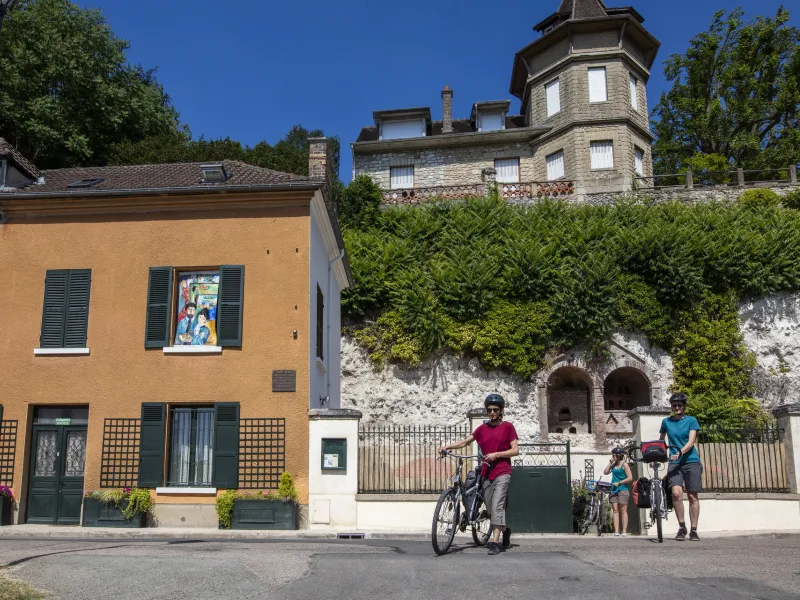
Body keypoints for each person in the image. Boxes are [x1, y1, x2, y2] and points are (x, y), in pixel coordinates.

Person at [440, 393, 519, 556]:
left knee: (497, 505)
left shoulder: (508, 427)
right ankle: (505, 531)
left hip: (502, 471)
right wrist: (447, 447)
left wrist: (497, 454)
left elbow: (515, 450)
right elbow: (465, 442)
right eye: (489, 410)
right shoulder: (482, 429)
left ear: (501, 410)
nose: (492, 413)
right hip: (486, 472)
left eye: (495, 410)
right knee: (490, 509)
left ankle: (495, 542)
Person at [660, 392, 702, 541]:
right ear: (671, 407)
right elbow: (661, 441)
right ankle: (681, 527)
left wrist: (679, 452)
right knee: (676, 494)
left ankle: (694, 530)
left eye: (679, 405)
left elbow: (691, 441)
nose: (677, 407)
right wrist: (657, 453)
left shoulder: (691, 420)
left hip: (691, 461)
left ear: (684, 407)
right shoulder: (666, 422)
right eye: (674, 405)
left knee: (692, 496)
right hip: (674, 463)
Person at [603, 447, 633, 537]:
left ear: (618, 456)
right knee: (615, 510)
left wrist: (619, 483)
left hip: (622, 489)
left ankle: (624, 531)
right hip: (613, 489)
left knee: (623, 510)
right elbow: (605, 472)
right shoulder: (613, 465)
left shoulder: (625, 465)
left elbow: (630, 478)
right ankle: (616, 531)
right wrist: (610, 463)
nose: (612, 456)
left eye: (614, 455)